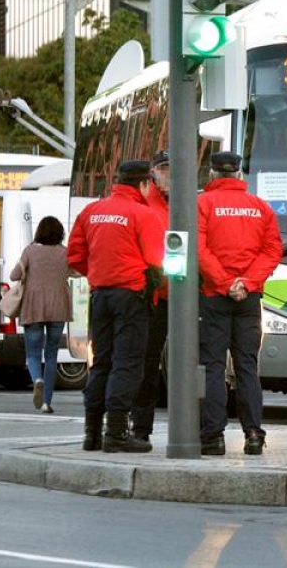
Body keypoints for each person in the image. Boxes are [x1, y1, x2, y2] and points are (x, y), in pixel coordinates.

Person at [67, 160, 164, 454]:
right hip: (131, 296)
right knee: (128, 364)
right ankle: (117, 433)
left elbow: (74, 257)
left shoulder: (91, 212)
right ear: (144, 184)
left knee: (101, 364)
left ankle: (92, 433)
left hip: (100, 296)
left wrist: (99, 272)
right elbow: (156, 259)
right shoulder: (143, 214)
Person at [197, 151, 283, 456]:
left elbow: (199, 248)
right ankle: (253, 434)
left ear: (212, 175)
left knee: (213, 367)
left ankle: (213, 437)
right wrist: (246, 283)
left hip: (213, 297)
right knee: (247, 366)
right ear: (239, 175)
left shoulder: (203, 204)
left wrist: (223, 282)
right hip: (249, 298)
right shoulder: (261, 207)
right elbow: (272, 250)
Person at [10, 216, 76, 414]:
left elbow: (14, 275)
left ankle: (36, 378)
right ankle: (47, 402)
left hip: (34, 307)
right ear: (60, 233)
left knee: (32, 353)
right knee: (52, 353)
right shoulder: (65, 253)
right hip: (58, 307)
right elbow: (77, 271)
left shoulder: (30, 251)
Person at [130, 150, 170, 441]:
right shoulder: (145, 204)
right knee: (146, 360)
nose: (170, 174)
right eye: (164, 169)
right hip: (154, 296)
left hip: (184, 295)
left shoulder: (190, 201)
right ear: (153, 173)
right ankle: (140, 426)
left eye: (174, 168)